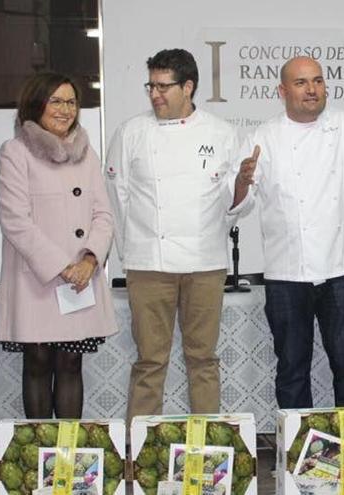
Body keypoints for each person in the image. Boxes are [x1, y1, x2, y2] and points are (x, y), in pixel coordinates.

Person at [230, 56, 344, 408]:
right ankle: (296, 458)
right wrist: (241, 183)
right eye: (302, 82)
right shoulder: (264, 136)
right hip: (286, 274)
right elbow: (240, 204)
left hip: (342, 269)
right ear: (282, 90)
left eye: (318, 81)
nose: (312, 89)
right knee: (292, 370)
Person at [105, 49, 242, 420]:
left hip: (206, 263)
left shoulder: (222, 133)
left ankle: (208, 451)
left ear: (188, 87)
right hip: (148, 263)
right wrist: (130, 251)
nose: (154, 95)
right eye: (151, 85)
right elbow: (117, 196)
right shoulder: (130, 132)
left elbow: (236, 201)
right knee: (150, 361)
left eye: (163, 87)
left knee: (203, 359)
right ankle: (141, 447)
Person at [0, 72, 117, 419]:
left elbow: (103, 214)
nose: (66, 110)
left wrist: (91, 260)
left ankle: (70, 456)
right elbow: (15, 221)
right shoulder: (15, 153)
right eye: (56, 101)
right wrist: (63, 268)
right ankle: (38, 457)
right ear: (36, 105)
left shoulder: (86, 152)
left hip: (80, 278)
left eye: (71, 102)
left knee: (70, 363)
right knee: (37, 362)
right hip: (37, 279)